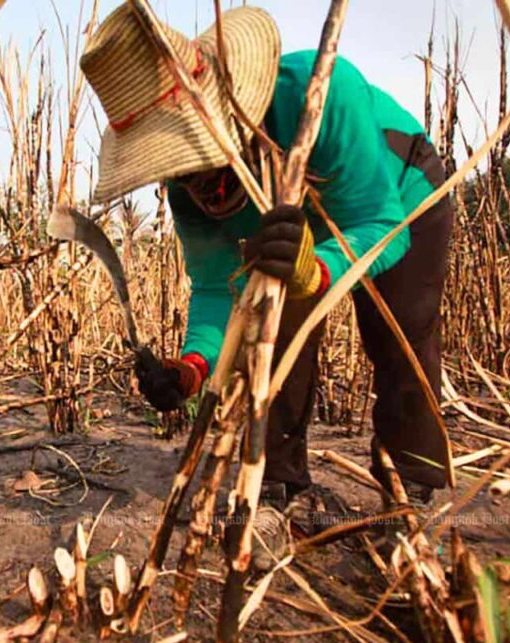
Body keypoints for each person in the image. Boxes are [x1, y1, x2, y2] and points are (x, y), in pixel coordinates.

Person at [80, 4, 452, 564]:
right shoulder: (189, 194)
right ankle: (278, 489)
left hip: (397, 192)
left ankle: (411, 496)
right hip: (293, 228)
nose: (198, 185)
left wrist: (314, 270)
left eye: (200, 161)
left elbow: (380, 225)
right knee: (271, 331)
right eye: (178, 170)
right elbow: (216, 289)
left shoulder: (319, 96)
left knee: (402, 333)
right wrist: (191, 370)